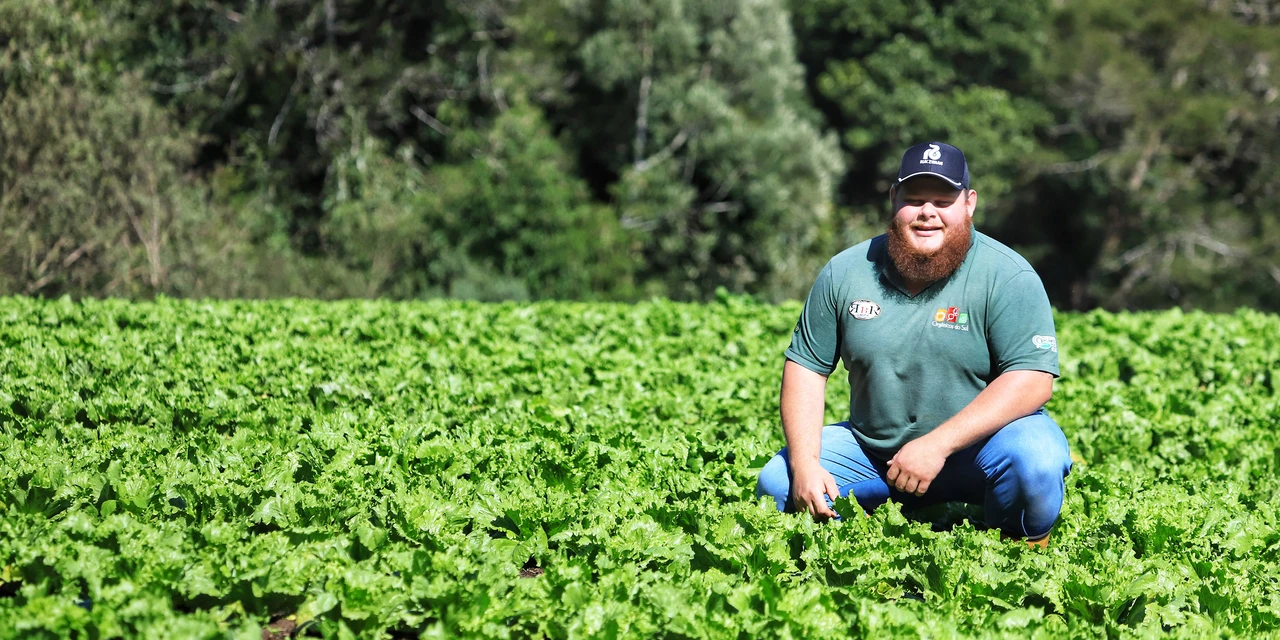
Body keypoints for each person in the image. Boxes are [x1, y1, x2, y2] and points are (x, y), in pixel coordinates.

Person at [755, 142, 1072, 547]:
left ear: (969, 204)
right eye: (915, 199)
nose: (928, 213)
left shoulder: (1008, 275)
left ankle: (1023, 552)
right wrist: (804, 464)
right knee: (778, 483)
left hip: (979, 455)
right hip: (874, 452)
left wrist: (937, 445)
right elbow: (807, 369)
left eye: (943, 200)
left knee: (1037, 461)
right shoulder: (846, 271)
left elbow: (1032, 380)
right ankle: (853, 548)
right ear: (893, 200)